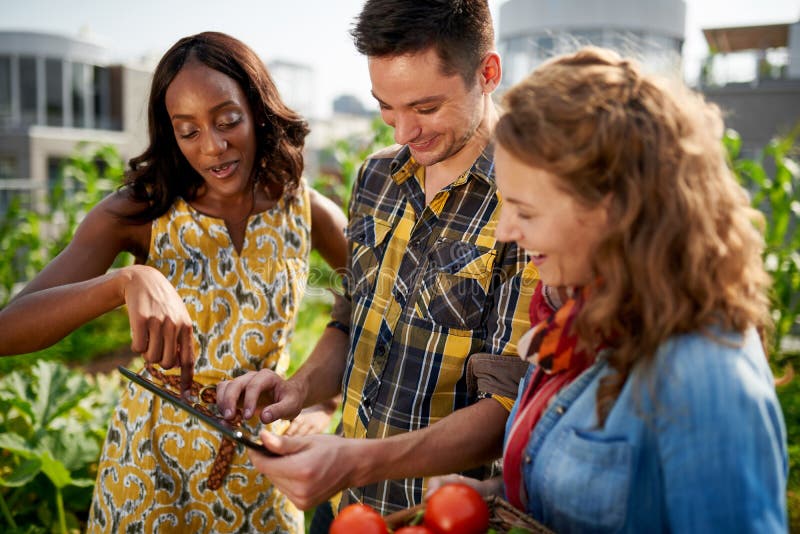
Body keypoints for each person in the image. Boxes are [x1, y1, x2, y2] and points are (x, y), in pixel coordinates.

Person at [429, 46, 789, 532]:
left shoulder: (704, 375)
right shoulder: (573, 317)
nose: (504, 231)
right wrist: (489, 496)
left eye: (527, 211)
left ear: (615, 210)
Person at [0, 31, 348, 533]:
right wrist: (123, 280)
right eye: (188, 132)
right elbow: (8, 330)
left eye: (228, 121)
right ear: (170, 134)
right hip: (150, 466)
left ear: (257, 108)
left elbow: (366, 297)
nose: (213, 146)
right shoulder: (139, 211)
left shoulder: (303, 207)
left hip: (262, 463)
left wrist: (321, 397)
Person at [216, 0, 538, 522]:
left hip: (441, 517)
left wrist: (357, 463)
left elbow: (509, 407)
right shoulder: (375, 178)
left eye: (425, 108)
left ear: (488, 73)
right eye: (385, 106)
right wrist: (297, 389)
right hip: (344, 503)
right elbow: (352, 321)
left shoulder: (528, 203)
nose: (401, 133)